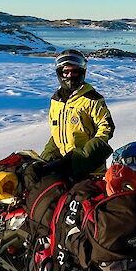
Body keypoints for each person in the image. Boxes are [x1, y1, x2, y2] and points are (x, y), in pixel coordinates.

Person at [41, 49, 115, 180]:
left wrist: (85, 156)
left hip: (89, 170)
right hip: (64, 166)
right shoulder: (56, 101)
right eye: (66, 71)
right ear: (60, 73)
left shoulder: (91, 99)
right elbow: (57, 133)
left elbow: (106, 128)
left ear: (81, 72)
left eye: (74, 71)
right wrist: (46, 157)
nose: (70, 75)